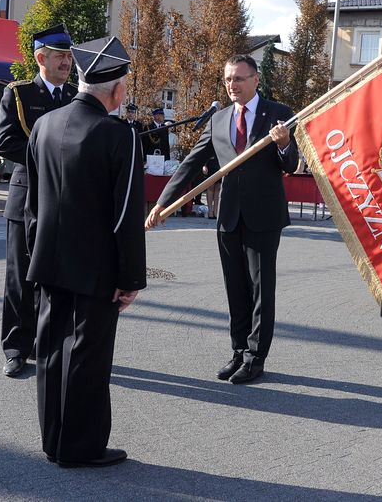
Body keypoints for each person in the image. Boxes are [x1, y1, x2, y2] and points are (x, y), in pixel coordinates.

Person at [25, 36, 145, 467]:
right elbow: (126, 215)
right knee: (88, 357)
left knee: (51, 352)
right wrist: (130, 278)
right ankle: (81, 447)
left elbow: (32, 205)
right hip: (96, 269)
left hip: (48, 260)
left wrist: (34, 256)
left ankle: (53, 440)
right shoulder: (119, 135)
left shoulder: (44, 124)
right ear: (117, 89)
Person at [146, 54, 298, 385]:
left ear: (255, 79)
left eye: (239, 78)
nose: (232, 85)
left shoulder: (279, 114)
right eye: (228, 79)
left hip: (263, 216)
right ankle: (239, 351)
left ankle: (256, 358)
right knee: (235, 287)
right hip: (228, 216)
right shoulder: (219, 119)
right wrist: (162, 202)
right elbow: (190, 162)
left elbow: (290, 164)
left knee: (260, 290)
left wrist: (284, 143)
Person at [0, 23, 77, 378]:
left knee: (56, 276)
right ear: (41, 58)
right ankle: (16, 347)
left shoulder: (76, 96)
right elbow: (5, 142)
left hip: (64, 201)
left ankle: (50, 343)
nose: (67, 62)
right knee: (20, 278)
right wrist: (50, 154)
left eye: (69, 56)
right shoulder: (19, 94)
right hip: (27, 195)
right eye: (60, 56)